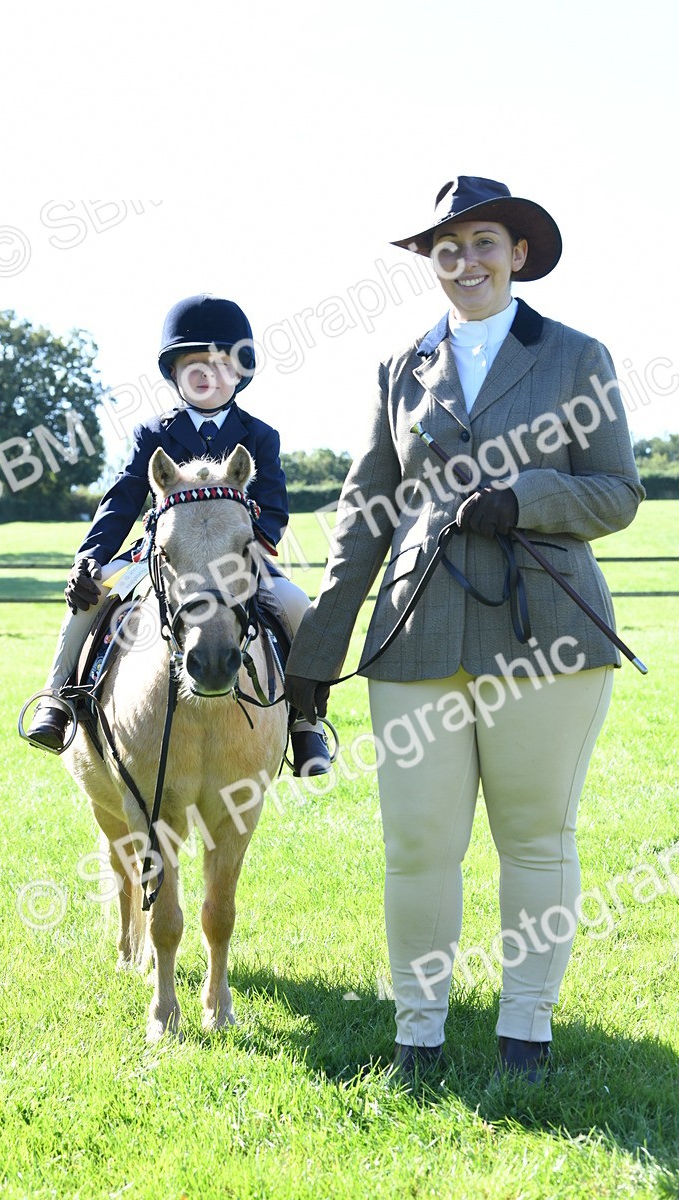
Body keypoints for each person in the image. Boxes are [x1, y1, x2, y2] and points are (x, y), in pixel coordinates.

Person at [284, 177, 644, 1083]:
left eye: (483, 242)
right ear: (431, 264)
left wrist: (525, 498)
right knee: (416, 844)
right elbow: (364, 515)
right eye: (446, 249)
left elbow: (618, 494)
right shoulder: (400, 368)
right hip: (417, 631)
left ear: (518, 254)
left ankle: (526, 1032)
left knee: (535, 837)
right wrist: (317, 654)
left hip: (549, 628)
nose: (465, 261)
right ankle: (419, 1035)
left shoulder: (576, 356)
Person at [27, 293, 331, 776]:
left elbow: (273, 510)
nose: (207, 375)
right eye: (194, 365)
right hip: (162, 553)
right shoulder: (153, 433)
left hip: (238, 557)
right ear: (175, 374)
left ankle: (305, 723)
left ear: (239, 372)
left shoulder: (261, 435)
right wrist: (90, 558)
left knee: (298, 607)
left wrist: (243, 536)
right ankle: (59, 694)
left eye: (219, 364)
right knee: (89, 596)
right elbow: (123, 498)